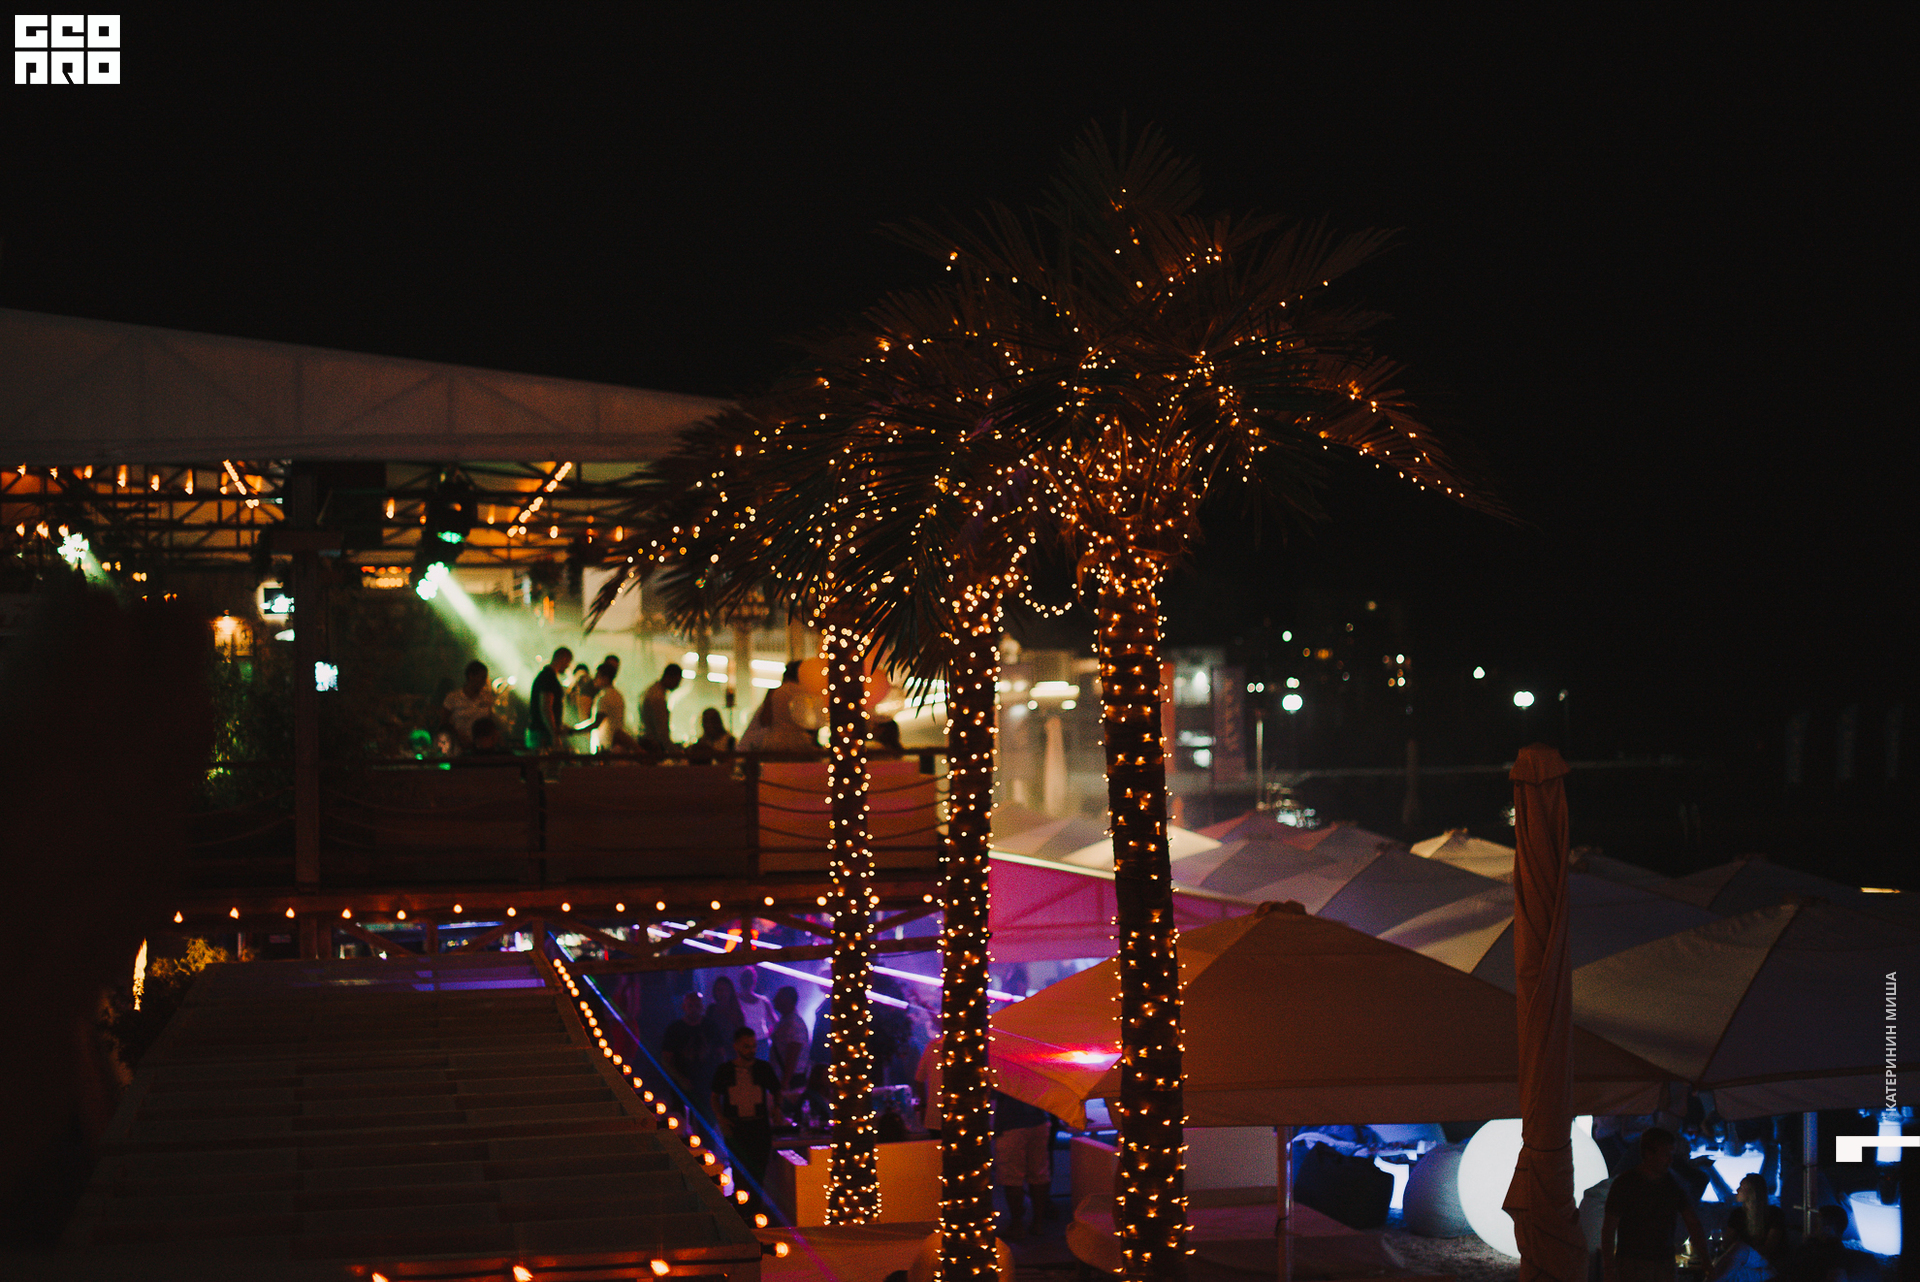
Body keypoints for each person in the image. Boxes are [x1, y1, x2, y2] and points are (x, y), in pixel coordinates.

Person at [1603, 1127, 1707, 1282]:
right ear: (1648, 1153)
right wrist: (1609, 1267)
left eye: (1671, 1155)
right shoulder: (1627, 1184)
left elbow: (1693, 1223)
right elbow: (1609, 1228)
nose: (1670, 1160)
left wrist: (1609, 1267)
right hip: (1637, 1264)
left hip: (1655, 1263)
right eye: (1665, 1154)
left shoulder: (1671, 1185)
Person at [711, 1026, 783, 1210]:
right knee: (739, 1174)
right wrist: (721, 1118)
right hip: (736, 1129)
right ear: (736, 1046)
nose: (751, 1050)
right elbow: (714, 1096)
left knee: (758, 1176)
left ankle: (754, 1213)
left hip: (759, 1128)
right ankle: (743, 1213)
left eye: (753, 1046)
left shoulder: (763, 1068)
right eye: (746, 1046)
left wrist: (777, 1108)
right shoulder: (725, 1070)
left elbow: (777, 1090)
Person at [993, 1089, 1056, 1239]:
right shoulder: (1036, 1072)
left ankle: (1017, 1225)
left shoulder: (1004, 1074)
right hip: (1040, 1120)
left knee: (1012, 1176)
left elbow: (992, 1093)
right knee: (1039, 1173)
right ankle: (1038, 1223)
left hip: (1011, 1123)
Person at [661, 991, 725, 1115]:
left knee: (707, 1120)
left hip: (707, 1085)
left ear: (702, 1007)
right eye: (690, 1005)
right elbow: (666, 1060)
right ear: (684, 1007)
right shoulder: (674, 1029)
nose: (694, 1009)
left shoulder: (711, 1027)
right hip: (682, 1088)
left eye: (697, 1005)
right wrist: (680, 1079)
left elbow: (721, 1054)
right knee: (682, 1120)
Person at [577, 661, 635, 754]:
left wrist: (572, 731)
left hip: (606, 749)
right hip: (613, 747)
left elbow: (596, 723)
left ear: (605, 678)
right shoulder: (616, 695)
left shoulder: (604, 697)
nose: (594, 679)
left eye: (597, 676)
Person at [440, 660, 496, 750]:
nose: (484, 681)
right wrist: (457, 735)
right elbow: (444, 723)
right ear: (471, 676)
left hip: (481, 748)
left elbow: (489, 722)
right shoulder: (453, 697)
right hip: (458, 747)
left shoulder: (486, 697)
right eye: (482, 677)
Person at [768, 986, 810, 1106]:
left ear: (788, 1000)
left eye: (778, 997)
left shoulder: (793, 1023)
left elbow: (793, 1054)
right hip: (785, 1078)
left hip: (789, 1081)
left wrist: (785, 1082)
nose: (774, 999)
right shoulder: (786, 1021)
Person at [526, 647, 573, 751]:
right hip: (542, 734)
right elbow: (546, 707)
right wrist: (554, 734)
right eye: (568, 662)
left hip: (540, 732)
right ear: (563, 659)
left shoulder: (545, 676)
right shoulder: (549, 678)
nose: (568, 666)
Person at [639, 663, 683, 752]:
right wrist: (673, 750)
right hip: (653, 747)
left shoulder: (651, 691)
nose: (677, 685)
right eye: (677, 681)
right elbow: (661, 730)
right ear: (669, 677)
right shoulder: (658, 698)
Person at [736, 966, 777, 1043]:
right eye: (745, 978)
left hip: (761, 1041)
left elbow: (775, 1022)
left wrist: (767, 1035)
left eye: (749, 978)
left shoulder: (763, 1001)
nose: (747, 981)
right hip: (744, 1041)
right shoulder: (735, 1000)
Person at [914, 1033, 943, 1136]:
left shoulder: (933, 1046)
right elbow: (919, 1078)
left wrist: (923, 1105)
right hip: (962, 1116)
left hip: (935, 1116)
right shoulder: (933, 1046)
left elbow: (919, 1078)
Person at [706, 975, 746, 1040]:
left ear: (731, 991)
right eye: (719, 990)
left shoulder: (736, 1011)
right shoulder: (711, 1010)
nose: (722, 993)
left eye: (725, 989)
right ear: (714, 991)